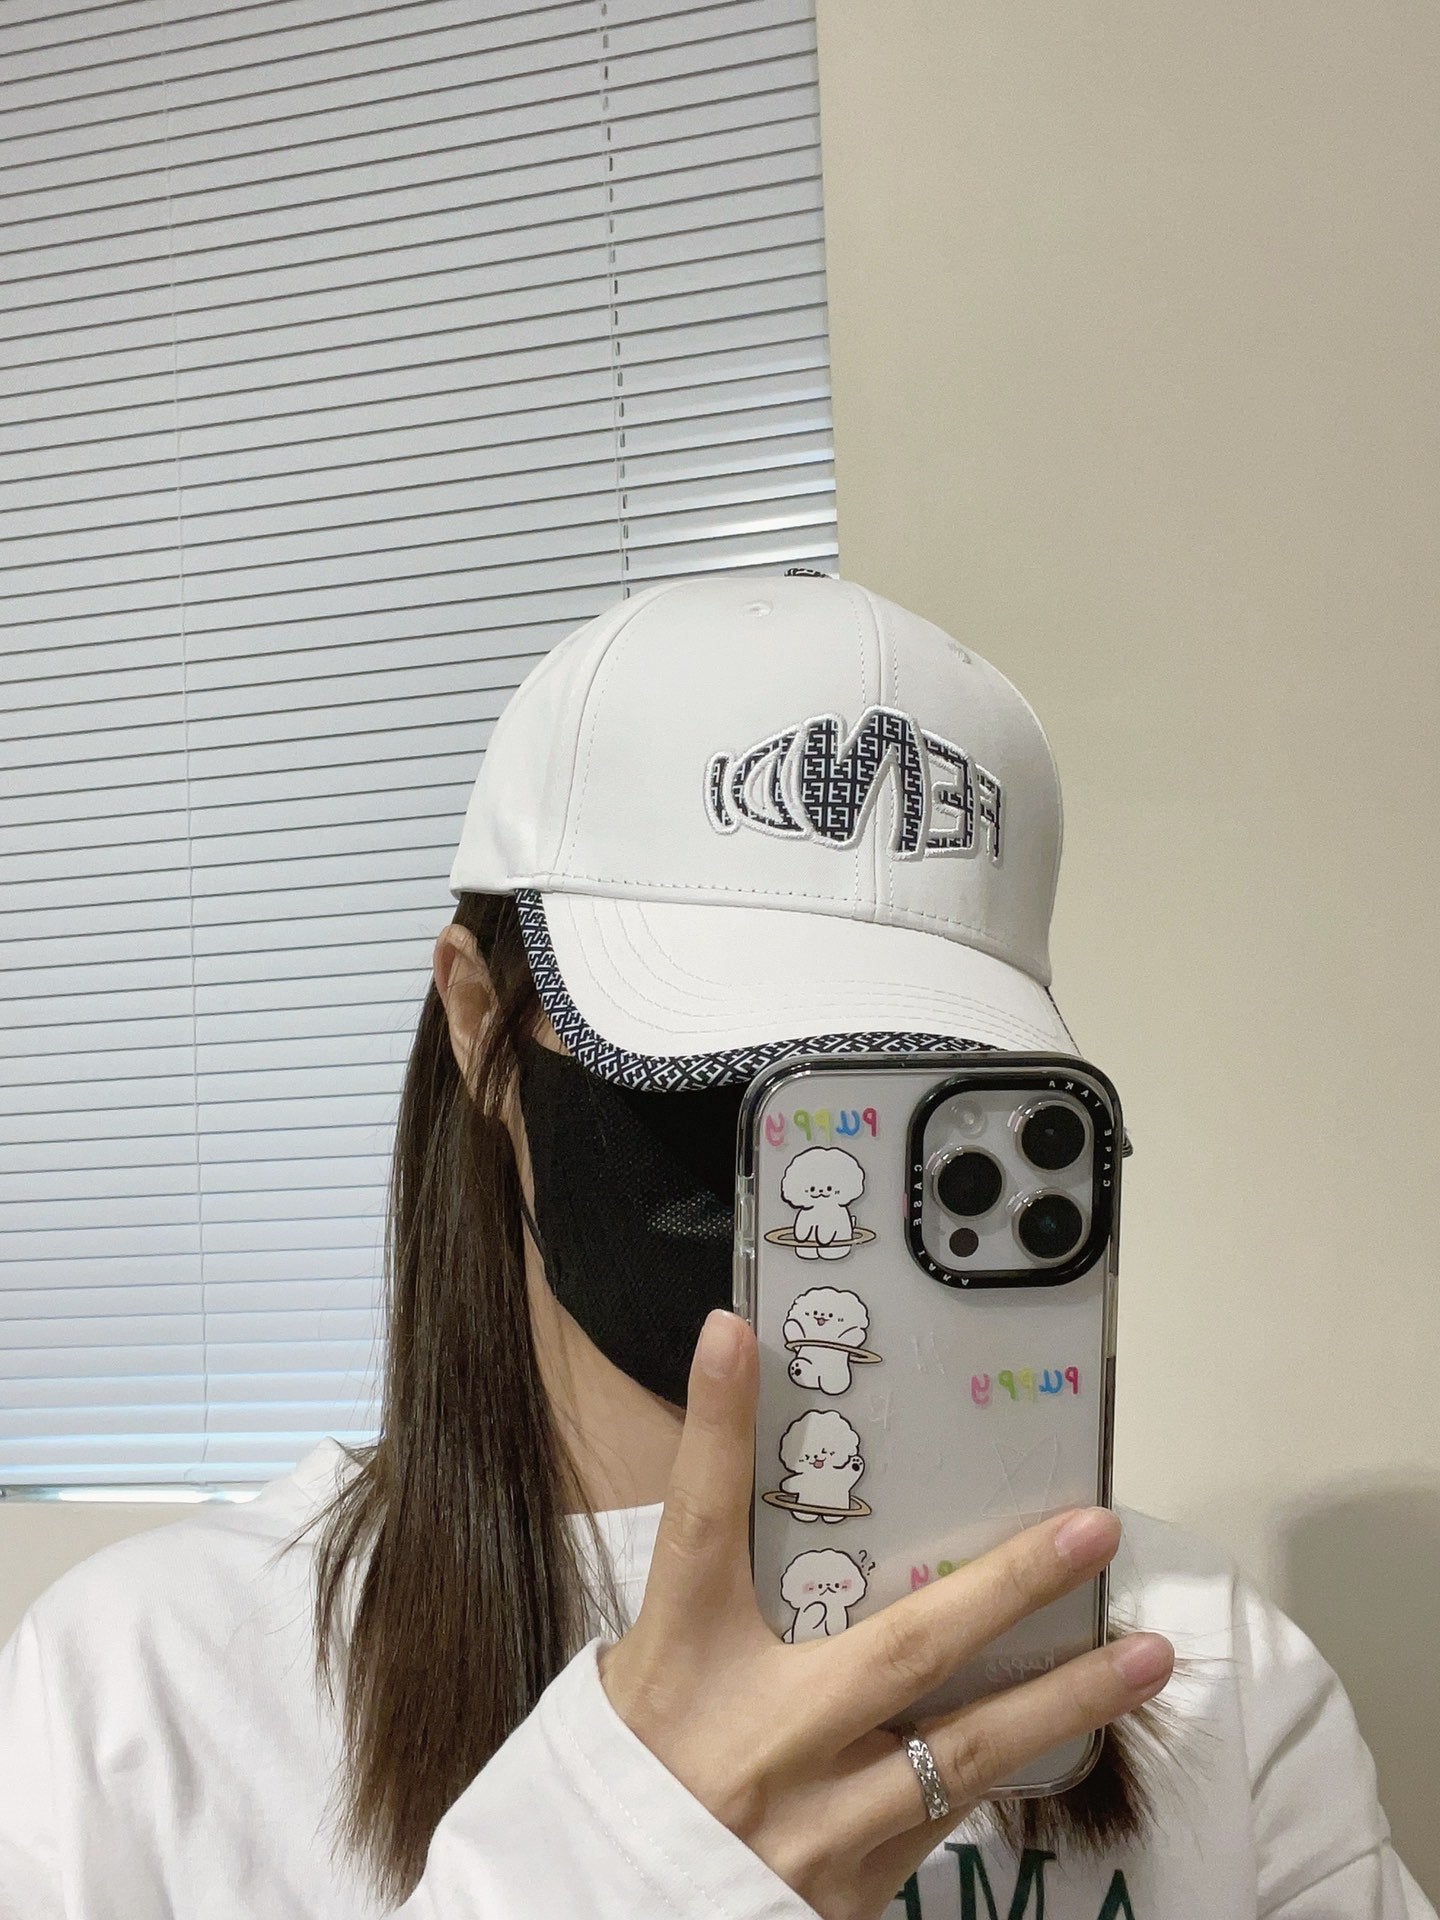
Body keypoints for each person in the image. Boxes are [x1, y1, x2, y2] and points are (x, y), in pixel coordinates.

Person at [0, 573, 1429, 1920]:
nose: (800, 1157)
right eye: (707, 1061)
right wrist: (627, 1866)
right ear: (480, 1022)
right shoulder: (148, 1690)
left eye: (902, 1066)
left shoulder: (1202, 1663)